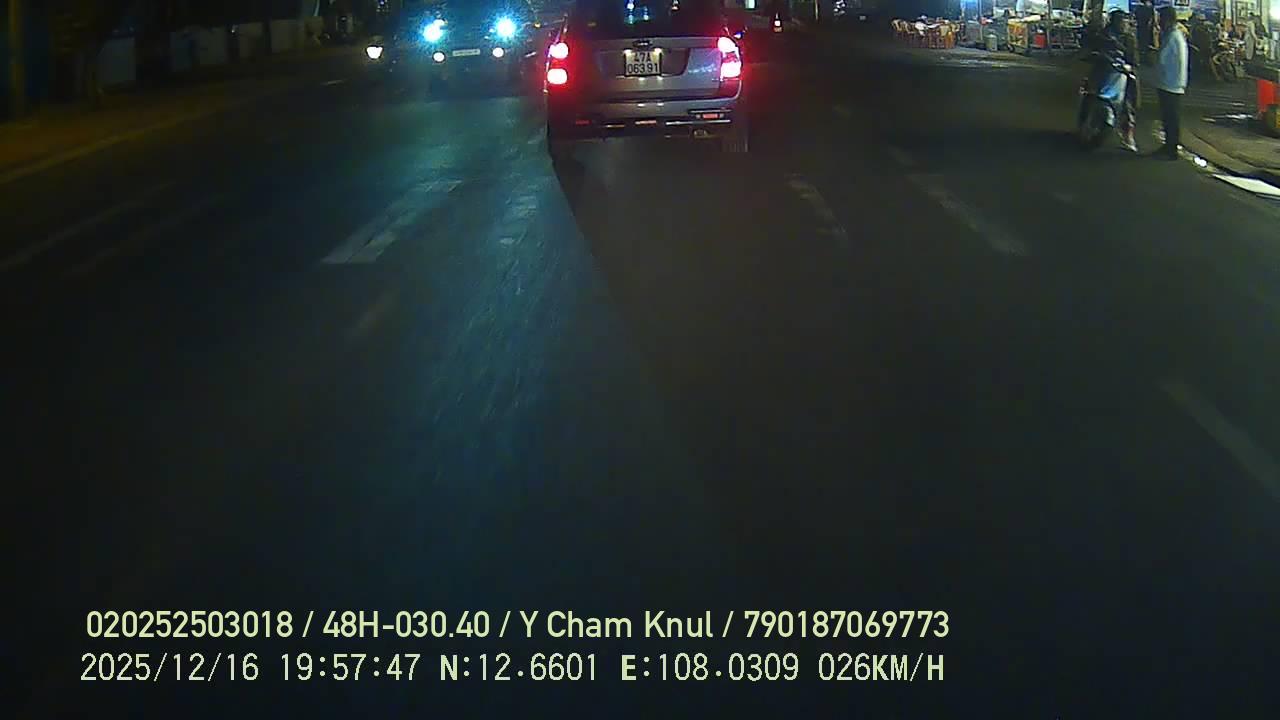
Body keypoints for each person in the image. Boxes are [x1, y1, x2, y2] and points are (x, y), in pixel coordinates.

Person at [1153, 5, 1188, 160]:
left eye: (1160, 18)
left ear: (1166, 19)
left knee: (1170, 118)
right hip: (1174, 82)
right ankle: (1169, 146)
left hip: (1169, 83)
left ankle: (1171, 149)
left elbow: (1161, 59)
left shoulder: (1171, 36)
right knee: (1170, 117)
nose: (1158, 22)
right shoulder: (1176, 34)